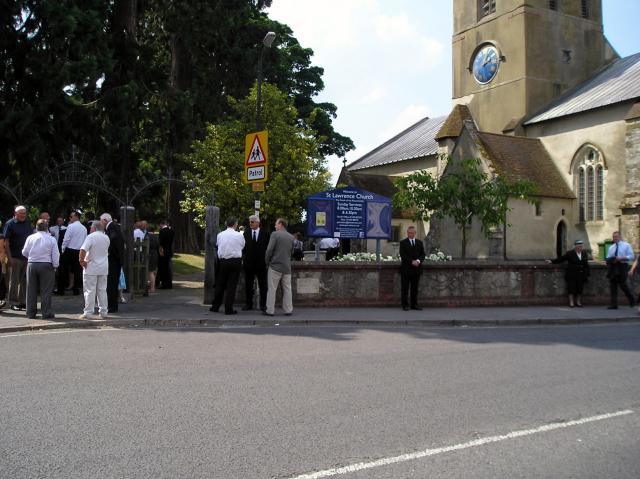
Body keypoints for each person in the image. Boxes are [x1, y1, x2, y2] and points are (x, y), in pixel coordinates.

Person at [21, 219, 59, 319]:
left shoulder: (30, 237)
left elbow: (24, 252)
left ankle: (30, 313)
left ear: (36, 227)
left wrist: (31, 257)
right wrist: (55, 266)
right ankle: (46, 312)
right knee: (46, 290)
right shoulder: (51, 239)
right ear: (47, 228)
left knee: (31, 289)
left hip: (32, 264)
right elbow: (55, 255)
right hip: (46, 264)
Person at [210, 217, 245, 315]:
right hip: (235, 261)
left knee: (220, 284)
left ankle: (215, 306)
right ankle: (228, 308)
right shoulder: (239, 235)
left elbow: (218, 245)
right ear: (235, 224)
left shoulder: (220, 235)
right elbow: (242, 246)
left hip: (223, 261)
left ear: (226, 224)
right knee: (231, 286)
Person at [79, 220, 110, 319]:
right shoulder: (106, 237)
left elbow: (83, 249)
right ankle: (103, 311)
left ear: (94, 228)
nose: (90, 229)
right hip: (103, 267)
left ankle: (88, 312)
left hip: (91, 266)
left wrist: (81, 261)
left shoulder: (91, 237)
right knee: (102, 290)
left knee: (89, 290)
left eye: (91, 227)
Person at [264, 217, 295, 317]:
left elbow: (269, 250)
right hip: (287, 267)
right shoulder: (291, 237)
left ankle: (270, 310)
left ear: (281, 224)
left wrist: (267, 261)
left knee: (272, 289)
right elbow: (292, 252)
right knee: (287, 289)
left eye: (276, 224)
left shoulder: (275, 234)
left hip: (275, 266)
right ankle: (288, 309)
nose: (275, 225)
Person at [4, 205, 32, 311]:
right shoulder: (10, 224)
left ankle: (22, 301)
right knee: (14, 280)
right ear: (16, 213)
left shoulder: (27, 223)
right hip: (15, 256)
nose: (23, 215)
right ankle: (13, 302)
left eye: (24, 213)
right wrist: (9, 257)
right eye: (21, 213)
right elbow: (6, 242)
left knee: (24, 280)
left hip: (26, 257)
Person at [547, 240, 590, 307]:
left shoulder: (584, 253)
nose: (580, 248)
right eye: (579, 246)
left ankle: (578, 302)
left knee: (580, 288)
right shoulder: (570, 253)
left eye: (581, 246)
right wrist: (552, 261)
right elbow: (562, 259)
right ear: (575, 246)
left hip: (581, 273)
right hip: (572, 273)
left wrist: (587, 273)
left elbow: (586, 264)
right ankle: (571, 302)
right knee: (571, 288)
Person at [242, 215, 269, 311]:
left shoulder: (265, 233)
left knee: (263, 285)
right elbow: (243, 248)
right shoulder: (246, 233)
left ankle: (263, 304)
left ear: (258, 222)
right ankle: (248, 303)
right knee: (248, 285)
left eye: (252, 222)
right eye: (250, 222)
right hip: (249, 264)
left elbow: (267, 248)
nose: (250, 223)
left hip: (261, 264)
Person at [101, 213, 125, 313]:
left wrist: (107, 250)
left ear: (105, 220)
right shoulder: (114, 227)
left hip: (113, 260)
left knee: (111, 283)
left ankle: (111, 306)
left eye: (101, 220)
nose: (100, 223)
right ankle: (111, 305)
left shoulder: (112, 228)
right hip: (115, 259)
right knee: (112, 283)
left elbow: (112, 240)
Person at [58, 211, 87, 296]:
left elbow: (66, 239)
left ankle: (61, 290)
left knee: (63, 270)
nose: (70, 218)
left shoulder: (71, 226)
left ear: (76, 217)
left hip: (69, 250)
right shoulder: (84, 228)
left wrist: (63, 249)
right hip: (79, 251)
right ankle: (76, 290)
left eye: (71, 216)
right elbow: (85, 240)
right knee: (77, 271)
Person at [605, 230, 635, 309]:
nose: (615, 238)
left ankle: (632, 299)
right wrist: (610, 260)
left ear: (620, 237)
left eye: (616, 236)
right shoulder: (611, 247)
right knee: (613, 285)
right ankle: (614, 304)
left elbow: (631, 256)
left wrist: (621, 258)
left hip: (622, 266)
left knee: (623, 285)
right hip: (613, 266)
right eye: (614, 237)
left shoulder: (626, 245)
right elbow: (608, 257)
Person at [399, 225, 426, 311]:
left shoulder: (419, 243)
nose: (410, 234)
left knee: (415, 289)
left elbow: (423, 254)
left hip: (416, 270)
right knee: (405, 288)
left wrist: (418, 261)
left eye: (412, 233)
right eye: (409, 233)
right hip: (406, 269)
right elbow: (403, 255)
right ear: (407, 233)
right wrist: (411, 262)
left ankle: (414, 305)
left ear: (415, 233)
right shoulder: (403, 243)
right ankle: (405, 305)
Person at [157, 219, 175, 289]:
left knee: (163, 268)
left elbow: (160, 243)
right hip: (169, 251)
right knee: (168, 268)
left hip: (163, 251)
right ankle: (169, 283)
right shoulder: (171, 231)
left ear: (161, 224)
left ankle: (164, 284)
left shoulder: (162, 231)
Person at [146, 225, 160, 294]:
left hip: (150, 254)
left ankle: (152, 288)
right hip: (155, 254)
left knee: (150, 272)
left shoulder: (148, 236)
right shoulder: (156, 237)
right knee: (154, 271)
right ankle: (153, 286)